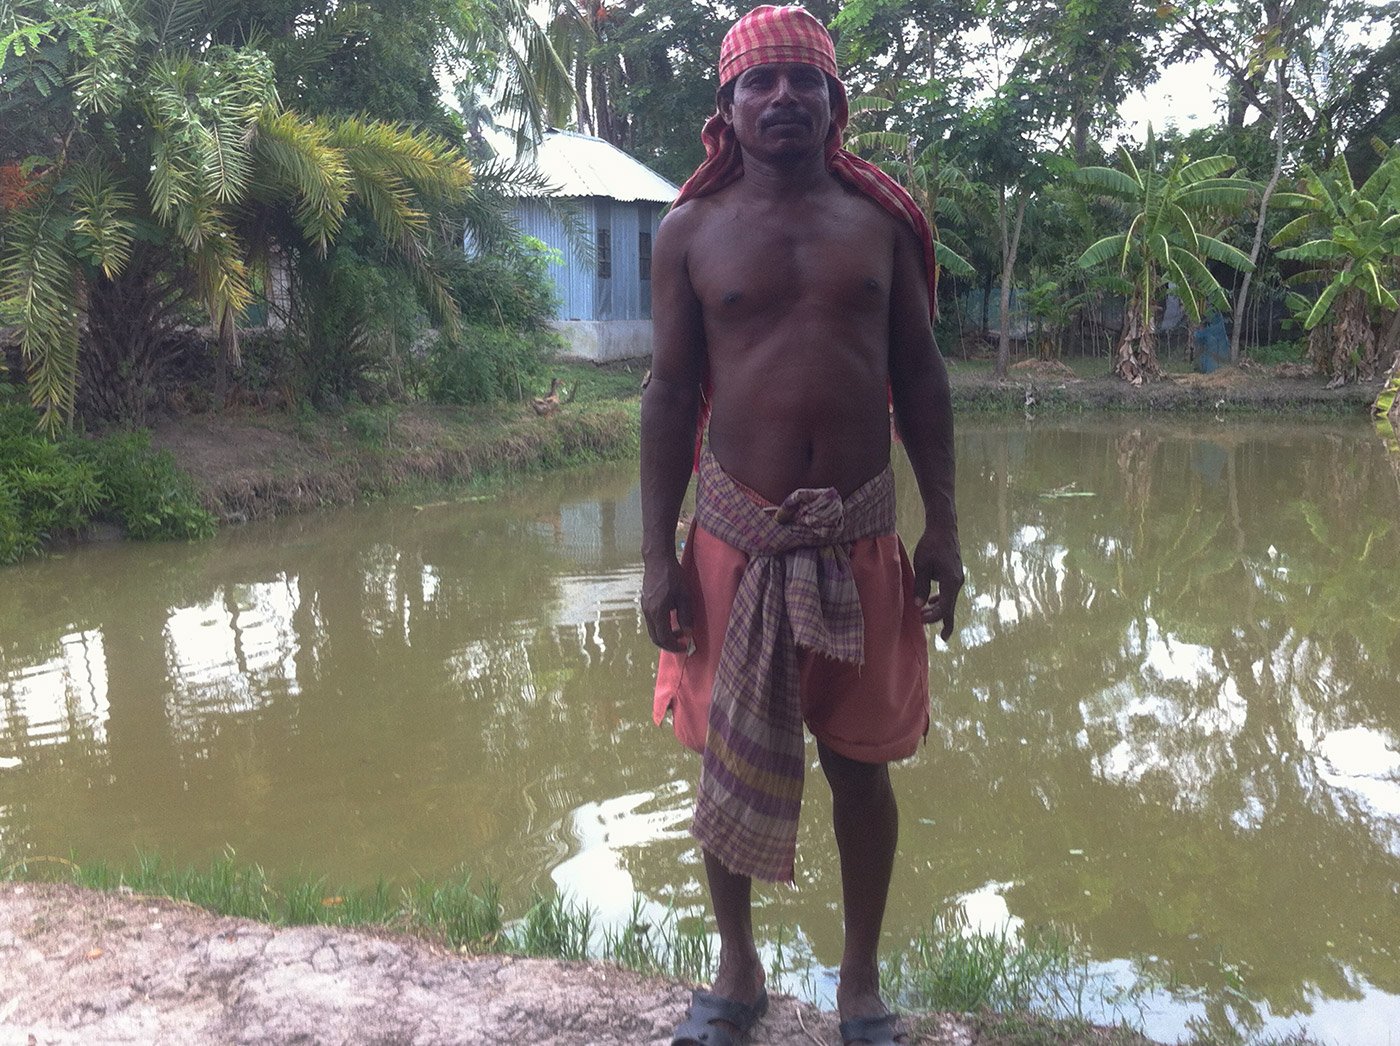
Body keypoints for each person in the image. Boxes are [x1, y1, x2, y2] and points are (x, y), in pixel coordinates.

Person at [639, 6, 963, 1045]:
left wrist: (943, 526)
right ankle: (736, 971)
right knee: (725, 754)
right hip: (732, 538)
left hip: (861, 534)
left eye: (801, 83)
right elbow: (665, 390)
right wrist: (654, 554)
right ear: (724, 111)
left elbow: (919, 377)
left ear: (833, 102)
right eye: (758, 85)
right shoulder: (688, 232)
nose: (781, 99)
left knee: (858, 764)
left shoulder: (878, 227)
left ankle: (858, 983)